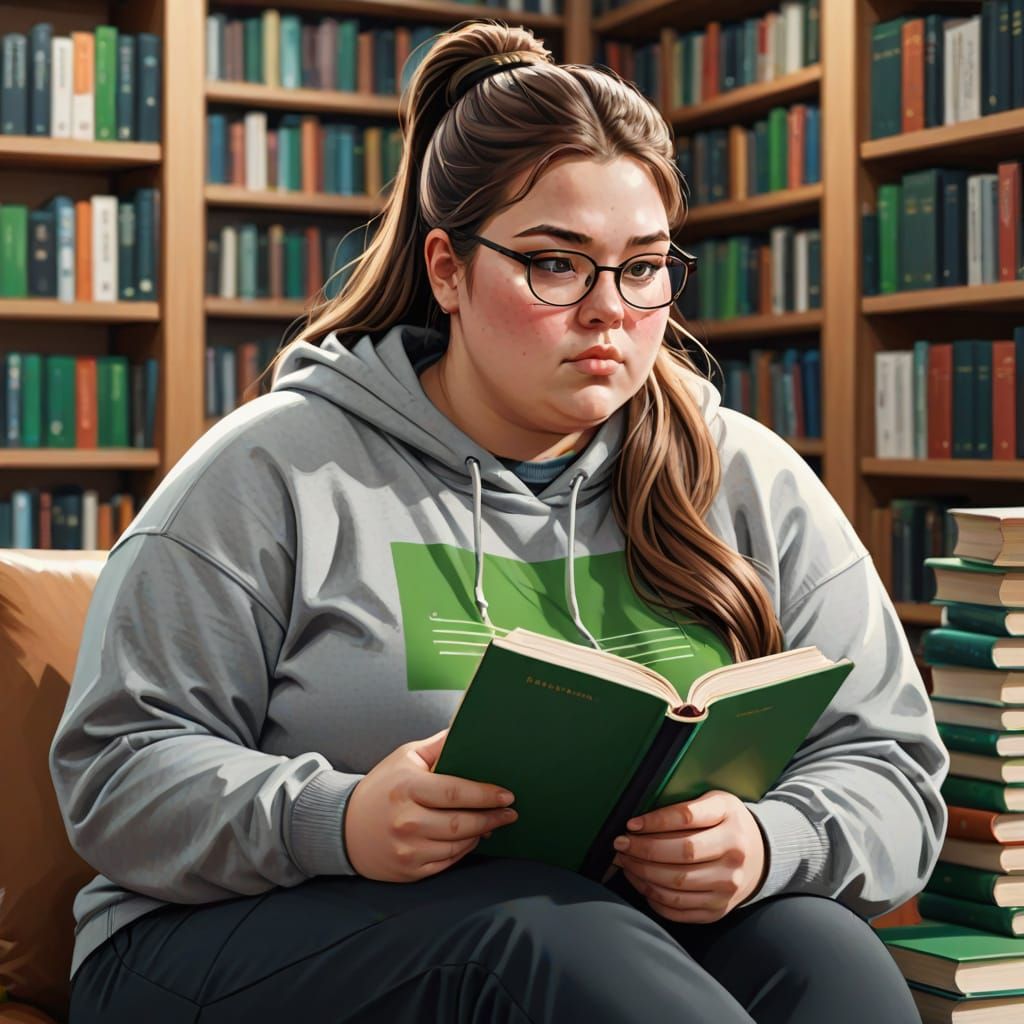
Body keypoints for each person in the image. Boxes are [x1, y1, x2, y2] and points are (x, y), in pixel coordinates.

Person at [52, 19, 947, 1023]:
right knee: (545, 933)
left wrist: (766, 841)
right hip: (220, 942)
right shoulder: (272, 469)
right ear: (447, 268)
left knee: (822, 950)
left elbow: (891, 769)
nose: (609, 311)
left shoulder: (744, 476)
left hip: (595, 927)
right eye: (556, 266)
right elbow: (116, 769)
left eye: (643, 267)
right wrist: (336, 818)